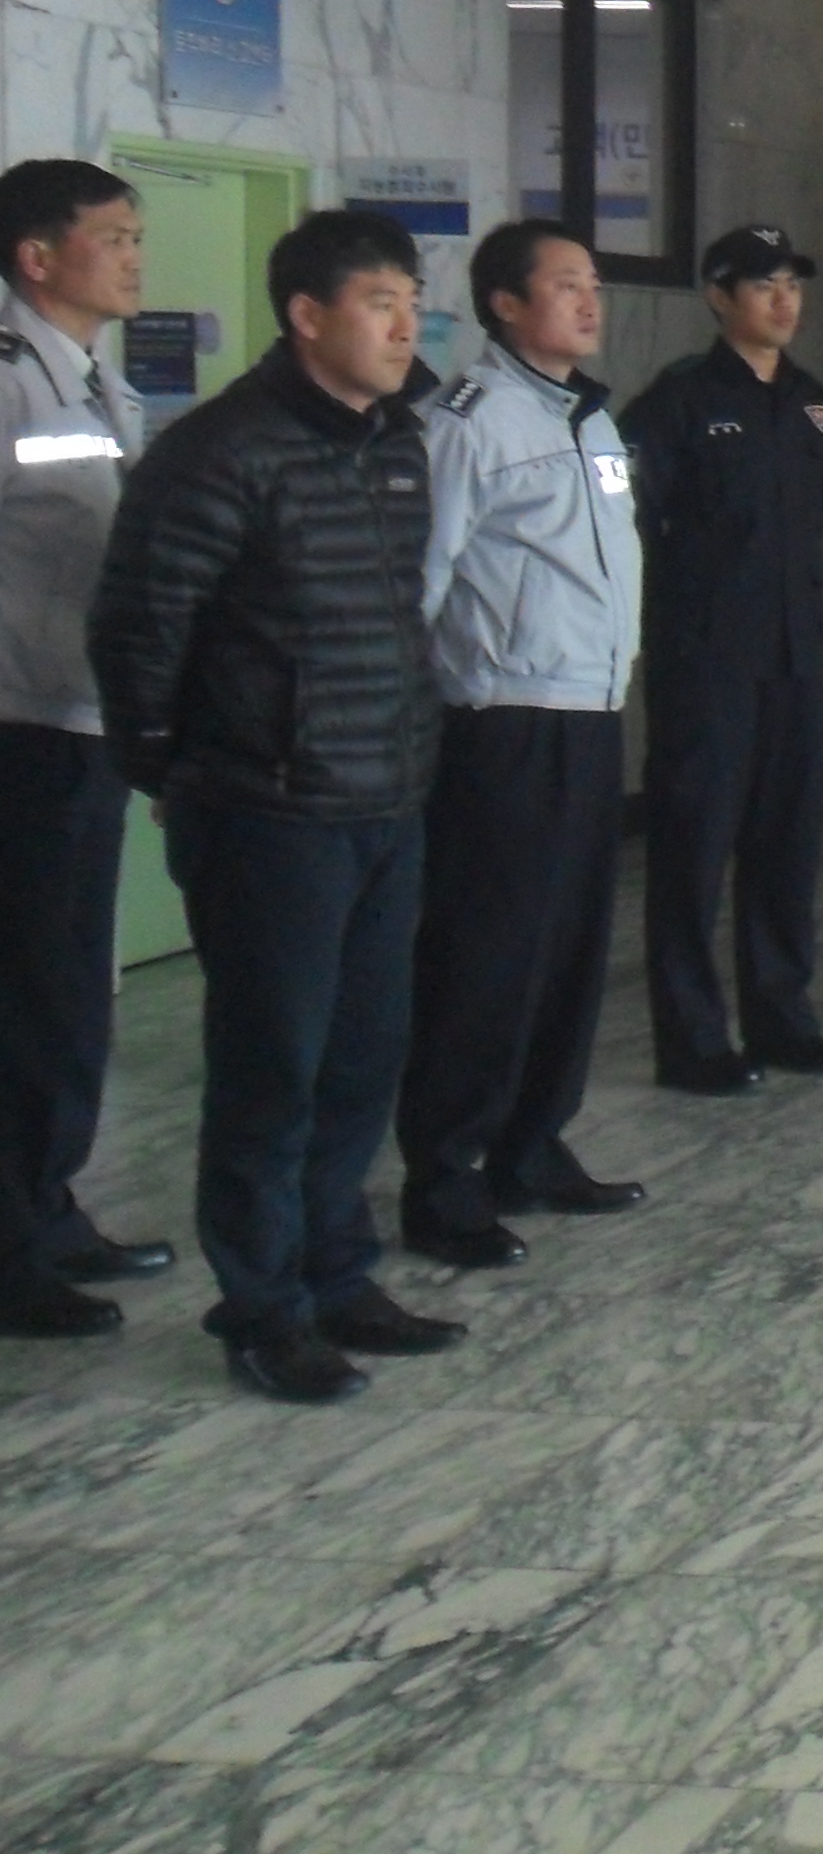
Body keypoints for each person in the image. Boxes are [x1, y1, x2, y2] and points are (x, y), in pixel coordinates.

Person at [88, 209, 466, 1405]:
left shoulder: (398, 443)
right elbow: (140, 627)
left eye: (413, 304)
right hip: (267, 811)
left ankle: (337, 1274)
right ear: (307, 316)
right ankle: (263, 1309)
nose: (405, 328)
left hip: (385, 797)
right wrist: (171, 768)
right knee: (272, 1071)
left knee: (361, 1061)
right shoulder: (221, 451)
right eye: (379, 304)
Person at [398, 220, 647, 1272]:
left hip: (590, 713)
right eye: (566, 285)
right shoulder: (467, 420)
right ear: (505, 305)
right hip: (505, 719)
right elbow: (419, 578)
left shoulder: (592, 417)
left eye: (595, 285)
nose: (590, 303)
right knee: (488, 956)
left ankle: (532, 1144)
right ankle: (444, 1176)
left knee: (571, 951)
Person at [0, 159, 174, 1341]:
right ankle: (9, 1246)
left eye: (136, 236)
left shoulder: (102, 384)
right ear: (37, 256)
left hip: (85, 719)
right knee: (25, 995)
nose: (133, 257)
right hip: (19, 731)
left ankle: (49, 1207)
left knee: (69, 994)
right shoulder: (11, 379)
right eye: (112, 238)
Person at [622, 224, 823, 1095]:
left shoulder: (816, 405)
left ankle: (781, 1017)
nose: (784, 301)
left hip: (794, 660)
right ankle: (691, 1039)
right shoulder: (676, 403)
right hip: (708, 663)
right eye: (763, 286)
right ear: (719, 298)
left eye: (792, 283)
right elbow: (634, 528)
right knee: (693, 852)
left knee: (787, 847)